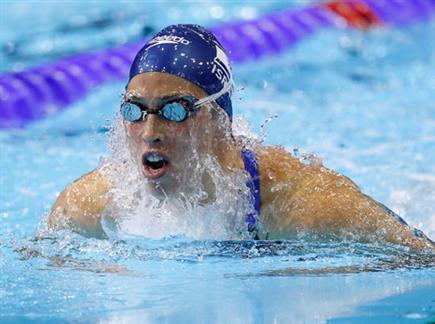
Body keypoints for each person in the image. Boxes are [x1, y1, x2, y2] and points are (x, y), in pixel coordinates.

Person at [48, 24, 433, 250]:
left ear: (218, 120)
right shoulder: (86, 206)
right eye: (135, 110)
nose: (150, 133)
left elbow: (420, 259)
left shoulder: (304, 203)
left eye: (176, 110)